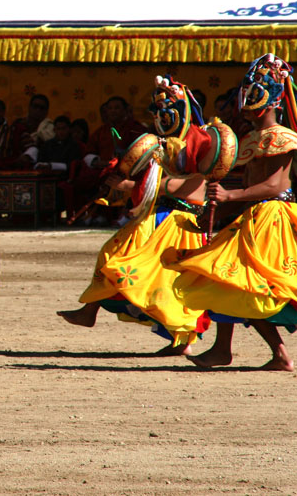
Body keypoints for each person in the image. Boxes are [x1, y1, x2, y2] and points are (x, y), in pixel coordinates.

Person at [165, 54, 297, 371]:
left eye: (256, 90)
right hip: (254, 217)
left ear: (274, 100)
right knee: (227, 280)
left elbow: (275, 185)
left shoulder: (284, 138)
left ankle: (268, 353)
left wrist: (231, 195)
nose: (247, 98)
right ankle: (231, 350)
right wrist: (218, 211)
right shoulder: (249, 138)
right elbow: (246, 185)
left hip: (274, 219)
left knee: (243, 284)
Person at [57, 77, 218, 354]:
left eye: (167, 108)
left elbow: (195, 185)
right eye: (157, 110)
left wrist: (132, 186)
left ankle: (182, 341)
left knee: (168, 282)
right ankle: (90, 311)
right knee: (113, 254)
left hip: (181, 221)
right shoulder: (161, 143)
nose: (161, 115)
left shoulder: (200, 141)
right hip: (156, 217)